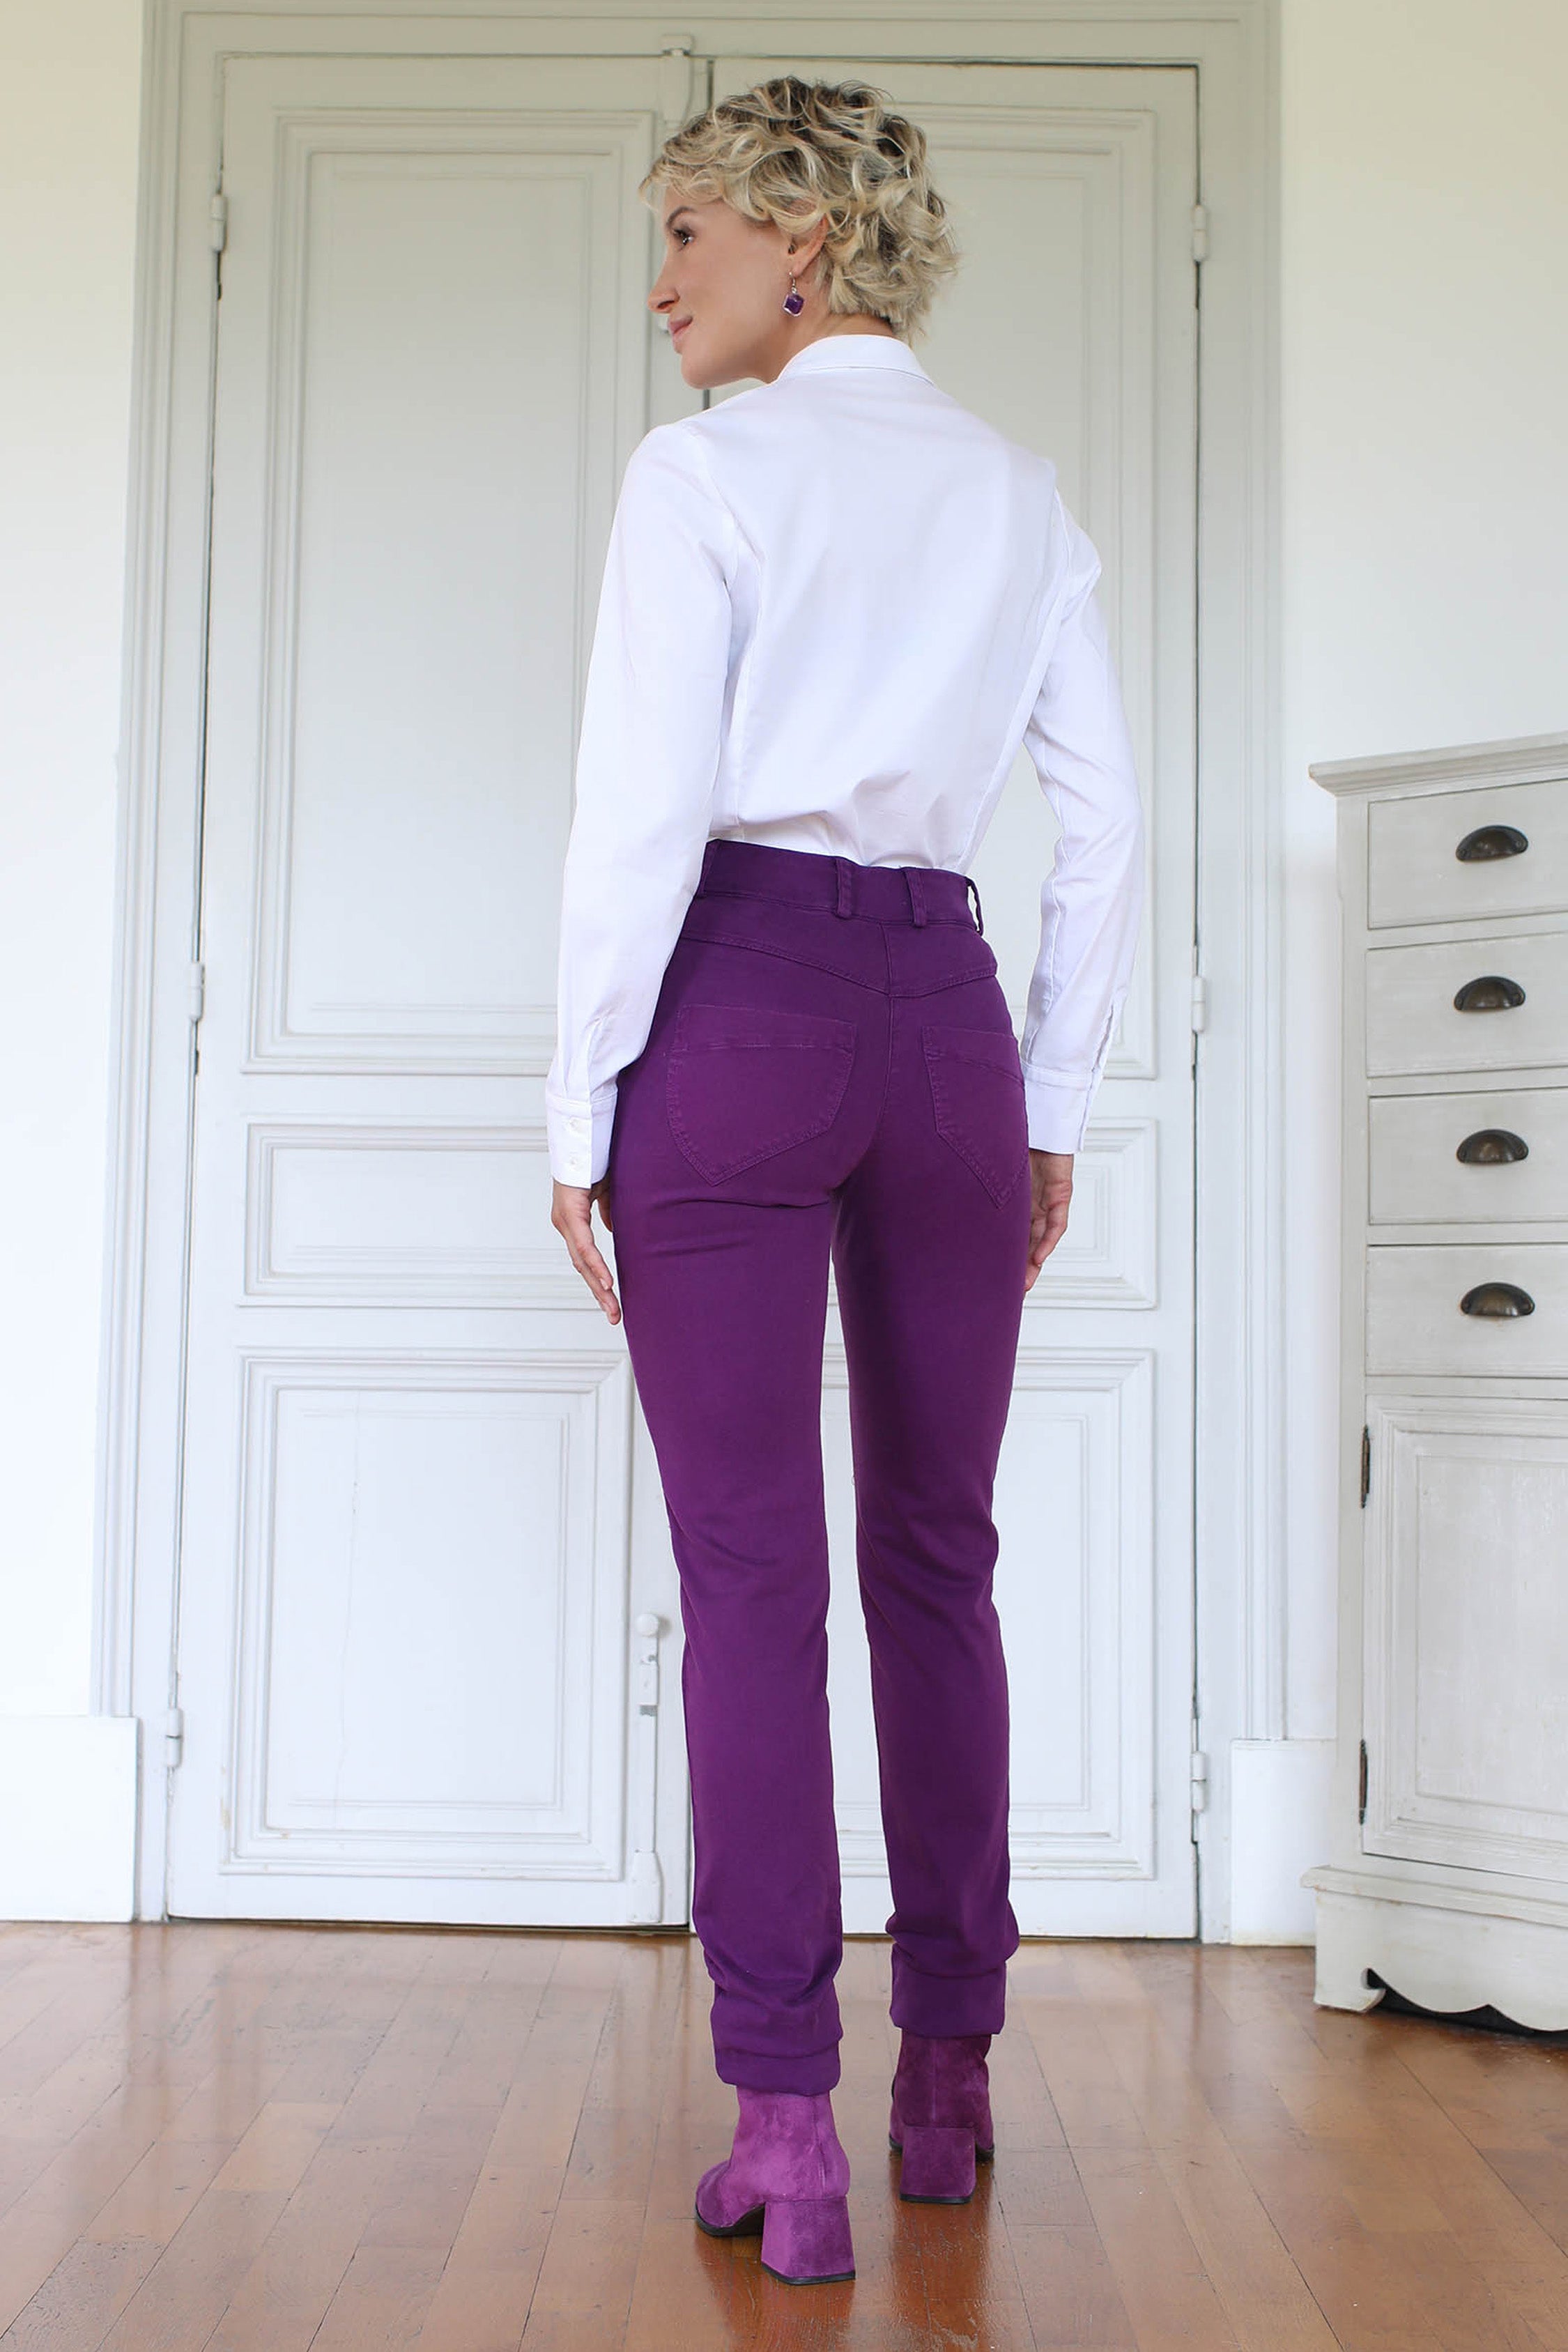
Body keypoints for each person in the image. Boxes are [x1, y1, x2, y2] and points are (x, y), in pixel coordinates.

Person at [546, 74, 1144, 2286]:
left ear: (799, 238)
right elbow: (1105, 823)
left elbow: (638, 815)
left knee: (748, 1578)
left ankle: (784, 2129)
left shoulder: (704, 475)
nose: (659, 285)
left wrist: (576, 1110)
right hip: (947, 1022)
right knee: (935, 1559)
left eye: (685, 235)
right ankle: (948, 2087)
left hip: (736, 1003)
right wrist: (1049, 1099)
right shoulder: (1016, 493)